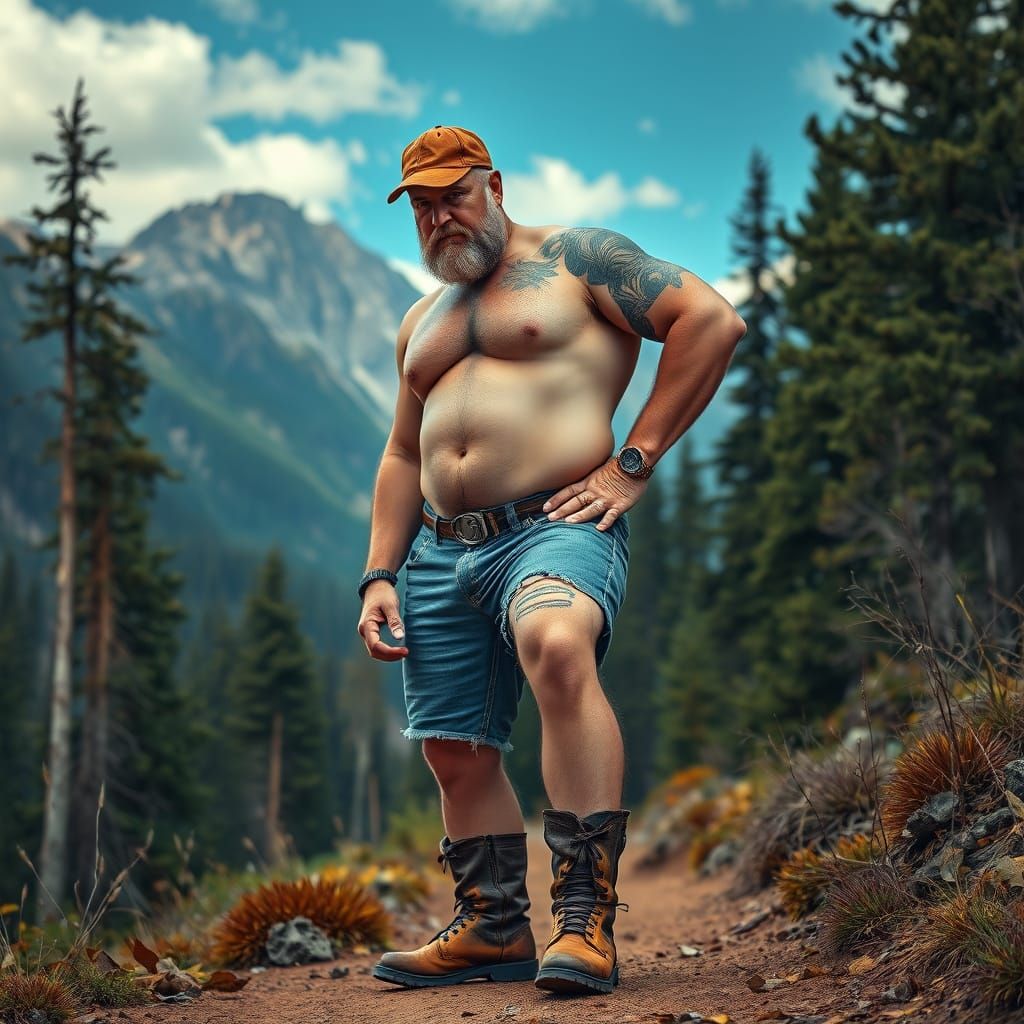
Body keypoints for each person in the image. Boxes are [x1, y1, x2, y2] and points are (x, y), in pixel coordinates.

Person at [358, 125, 746, 996]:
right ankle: (494, 929)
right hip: (439, 549)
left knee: (559, 646)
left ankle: (585, 922)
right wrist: (380, 571)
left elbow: (711, 321)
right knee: (455, 750)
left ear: (494, 185)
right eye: (421, 206)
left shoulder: (578, 259)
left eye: (452, 195)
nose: (438, 218)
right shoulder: (423, 320)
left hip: (556, 522)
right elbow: (399, 455)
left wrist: (633, 461)